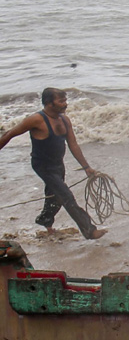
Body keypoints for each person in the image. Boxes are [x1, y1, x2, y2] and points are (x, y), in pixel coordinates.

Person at [0, 88, 106, 239]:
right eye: (61, 101)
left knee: (54, 197)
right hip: (43, 166)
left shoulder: (64, 120)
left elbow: (73, 144)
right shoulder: (36, 119)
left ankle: (45, 220)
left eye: (65, 100)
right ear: (49, 103)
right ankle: (90, 230)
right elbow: (9, 134)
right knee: (66, 196)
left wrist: (86, 167)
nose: (65, 104)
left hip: (58, 164)